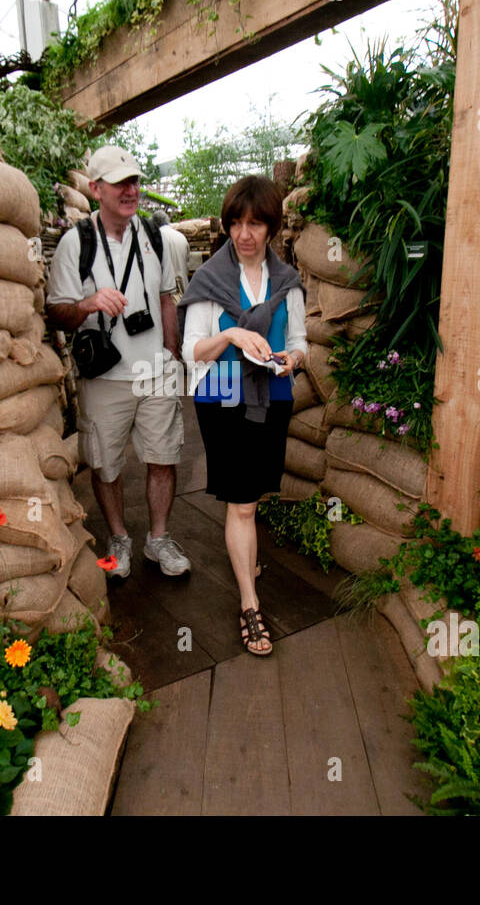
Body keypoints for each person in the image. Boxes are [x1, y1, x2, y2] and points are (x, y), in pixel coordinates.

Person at [46, 145, 192, 579]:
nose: (131, 190)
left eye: (135, 182)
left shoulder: (154, 236)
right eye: (120, 183)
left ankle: (158, 541)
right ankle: (119, 538)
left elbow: (166, 297)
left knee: (163, 457)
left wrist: (171, 354)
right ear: (95, 189)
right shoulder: (77, 243)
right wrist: (88, 303)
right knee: (105, 462)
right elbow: (56, 310)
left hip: (155, 372)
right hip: (104, 375)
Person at [178, 175, 307, 656]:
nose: (244, 233)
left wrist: (291, 361)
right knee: (242, 503)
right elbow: (193, 351)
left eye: (255, 223)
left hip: (272, 394)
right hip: (222, 394)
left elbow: (299, 343)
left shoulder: (288, 283)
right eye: (236, 222)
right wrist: (230, 337)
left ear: (271, 226)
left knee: (252, 496)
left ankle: (245, 556)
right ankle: (249, 604)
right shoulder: (209, 281)